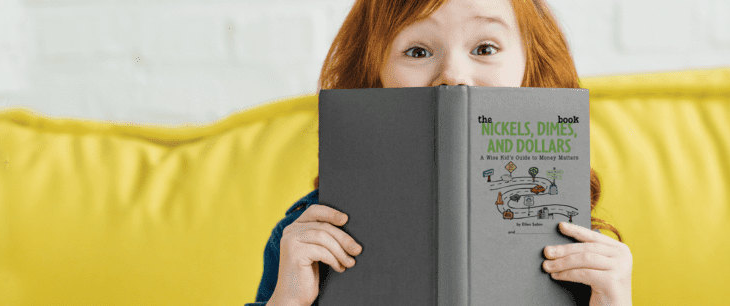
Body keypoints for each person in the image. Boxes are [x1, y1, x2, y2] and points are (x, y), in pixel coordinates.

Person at [246, 0, 633, 305]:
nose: (454, 75)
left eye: (485, 48)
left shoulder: (579, 244)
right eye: (417, 51)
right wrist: (287, 300)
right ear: (372, 75)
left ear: (530, 66)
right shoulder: (307, 239)